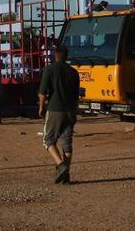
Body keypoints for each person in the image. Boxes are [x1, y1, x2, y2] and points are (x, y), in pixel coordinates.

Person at [38, 45, 80, 184]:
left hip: (55, 109)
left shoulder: (49, 69)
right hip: (71, 110)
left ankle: (60, 165)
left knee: (48, 140)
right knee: (67, 143)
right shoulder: (74, 72)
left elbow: (42, 92)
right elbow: (76, 95)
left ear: (55, 56)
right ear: (66, 56)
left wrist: (41, 107)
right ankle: (66, 177)